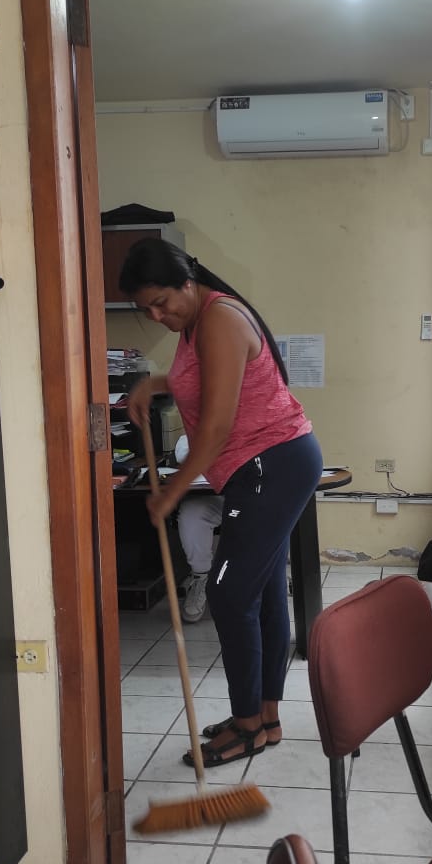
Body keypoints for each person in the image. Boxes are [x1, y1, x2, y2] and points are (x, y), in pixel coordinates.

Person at [122, 238, 322, 768]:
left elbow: (214, 428)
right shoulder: (196, 323)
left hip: (269, 464)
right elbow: (200, 380)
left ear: (188, 283)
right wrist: (153, 383)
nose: (157, 316)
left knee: (229, 594)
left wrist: (171, 492)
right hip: (268, 463)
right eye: (146, 310)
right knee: (262, 592)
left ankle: (247, 725)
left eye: (161, 302)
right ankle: (265, 719)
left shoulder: (218, 319)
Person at [172, 434, 224, 623]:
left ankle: (260, 584)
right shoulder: (196, 429)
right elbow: (183, 452)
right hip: (215, 494)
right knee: (191, 513)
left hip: (252, 490)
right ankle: (200, 577)